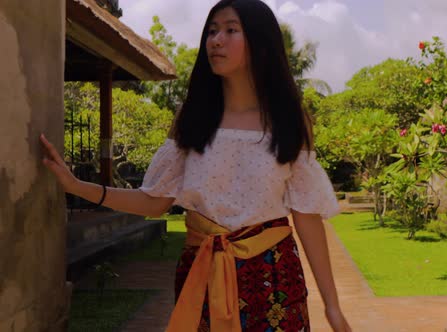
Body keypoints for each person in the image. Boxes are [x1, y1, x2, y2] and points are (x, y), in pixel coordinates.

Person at [40, 0, 351, 331]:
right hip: (201, 271)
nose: (216, 40)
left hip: (271, 276)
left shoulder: (288, 121)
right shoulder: (192, 119)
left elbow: (306, 217)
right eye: (212, 31)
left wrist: (332, 307)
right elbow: (155, 201)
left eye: (231, 30)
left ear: (261, 43)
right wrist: (78, 187)